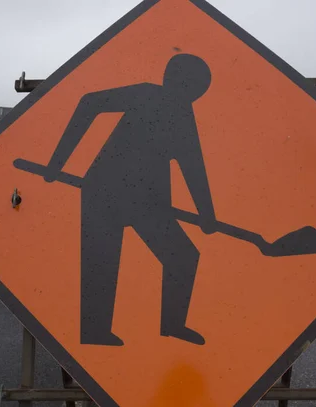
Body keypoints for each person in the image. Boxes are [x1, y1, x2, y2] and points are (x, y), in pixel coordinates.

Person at [44, 54, 217, 346]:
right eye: (194, 86)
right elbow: (90, 103)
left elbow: (193, 167)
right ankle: (95, 333)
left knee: (183, 256)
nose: (194, 93)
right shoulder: (146, 94)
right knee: (101, 261)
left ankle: (173, 326)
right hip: (105, 190)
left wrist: (206, 214)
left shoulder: (183, 116)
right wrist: (57, 163)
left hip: (150, 200)